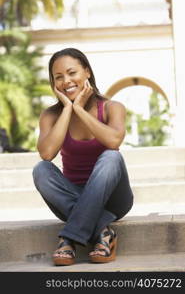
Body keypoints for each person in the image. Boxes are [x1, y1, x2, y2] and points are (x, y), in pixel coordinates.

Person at [32, 47, 134, 266]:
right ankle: (104, 232)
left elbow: (114, 141)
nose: (66, 81)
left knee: (111, 157)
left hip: (114, 200)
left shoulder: (111, 107)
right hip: (70, 196)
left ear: (87, 72)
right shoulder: (51, 115)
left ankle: (68, 238)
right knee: (41, 170)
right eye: (58, 77)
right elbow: (47, 153)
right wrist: (68, 109)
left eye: (72, 73)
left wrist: (80, 110)